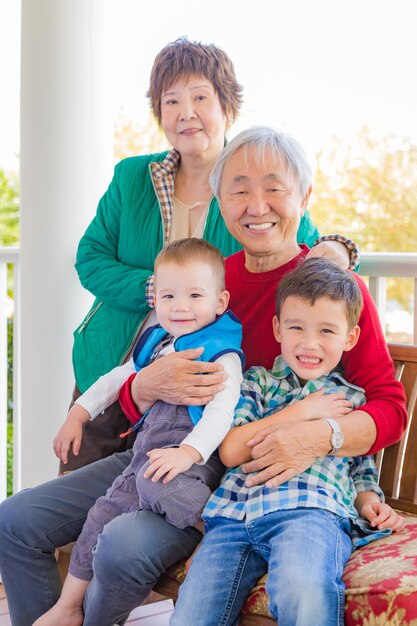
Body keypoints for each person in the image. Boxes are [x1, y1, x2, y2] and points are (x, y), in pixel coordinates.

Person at [0, 128, 404, 626]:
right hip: (156, 449)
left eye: (274, 188)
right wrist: (144, 387)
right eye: (238, 189)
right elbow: (138, 383)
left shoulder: (329, 289)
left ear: (304, 197)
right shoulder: (209, 281)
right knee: (14, 521)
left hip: (219, 476)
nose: (257, 205)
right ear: (219, 200)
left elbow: (388, 405)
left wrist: (322, 435)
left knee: (121, 544)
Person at [67, 36, 343, 471]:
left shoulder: (243, 183)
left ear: (227, 107)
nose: (185, 113)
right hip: (118, 362)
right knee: (74, 498)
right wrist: (155, 289)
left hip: (200, 385)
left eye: (200, 97)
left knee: (152, 495)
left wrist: (342, 249)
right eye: (171, 100)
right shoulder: (131, 177)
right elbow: (90, 257)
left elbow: (305, 245)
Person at [170, 257, 405, 626]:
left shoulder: (351, 400)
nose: (310, 343)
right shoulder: (256, 382)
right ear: (278, 328)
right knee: (193, 614)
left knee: (304, 590)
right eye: (297, 327)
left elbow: (361, 468)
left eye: (327, 331)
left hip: (311, 514)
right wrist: (303, 411)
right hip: (233, 518)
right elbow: (232, 449)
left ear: (350, 337)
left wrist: (371, 503)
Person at [33, 238, 244, 626]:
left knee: (159, 485)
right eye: (169, 295)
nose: (180, 306)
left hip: (191, 463)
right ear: (156, 301)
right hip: (145, 459)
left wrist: (188, 453)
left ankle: (217, 527)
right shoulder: (157, 343)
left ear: (220, 301)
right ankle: (67, 605)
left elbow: (221, 412)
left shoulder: (221, 354)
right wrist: (79, 412)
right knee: (100, 515)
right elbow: (117, 378)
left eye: (195, 295)